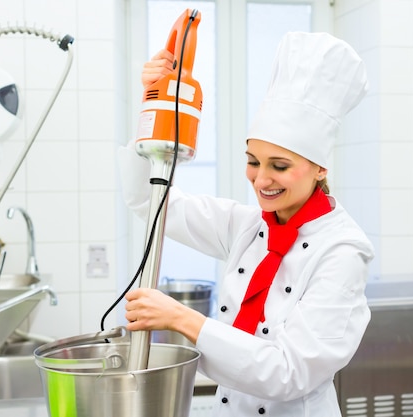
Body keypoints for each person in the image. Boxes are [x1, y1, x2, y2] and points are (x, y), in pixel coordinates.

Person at [119, 31, 374, 417]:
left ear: (320, 167)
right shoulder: (247, 225)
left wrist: (181, 318)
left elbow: (288, 373)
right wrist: (152, 106)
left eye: (280, 166)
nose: (260, 179)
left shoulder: (343, 252)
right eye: (253, 161)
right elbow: (149, 201)